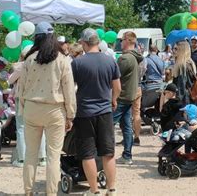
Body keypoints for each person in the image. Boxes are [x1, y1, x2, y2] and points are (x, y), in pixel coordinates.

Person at [18, 22, 76, 196]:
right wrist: (70, 115)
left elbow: (22, 89)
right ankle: (51, 193)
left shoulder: (29, 59)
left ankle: (28, 192)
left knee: (30, 155)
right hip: (55, 110)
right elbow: (69, 90)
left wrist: (24, 108)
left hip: (32, 108)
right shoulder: (62, 60)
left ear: (36, 37)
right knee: (53, 157)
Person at [73, 28, 121, 196]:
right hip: (105, 111)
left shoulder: (77, 62)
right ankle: (112, 188)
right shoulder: (110, 60)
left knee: (88, 154)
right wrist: (113, 99)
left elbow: (71, 88)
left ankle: (94, 191)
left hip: (85, 112)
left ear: (85, 43)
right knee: (108, 153)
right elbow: (117, 87)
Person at [8, 48, 46, 168]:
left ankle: (22, 159)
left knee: (21, 127)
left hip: (23, 98)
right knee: (40, 127)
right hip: (38, 97)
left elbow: (10, 80)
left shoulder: (22, 65)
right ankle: (42, 158)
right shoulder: (42, 64)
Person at [113, 31, 143, 165]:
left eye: (122, 39)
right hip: (130, 96)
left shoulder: (125, 58)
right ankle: (127, 155)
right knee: (126, 127)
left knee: (107, 125)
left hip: (121, 97)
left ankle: (101, 155)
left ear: (128, 40)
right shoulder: (135, 57)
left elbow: (114, 78)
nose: (120, 42)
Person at [172, 40, 197, 105]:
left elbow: (181, 88)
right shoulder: (190, 63)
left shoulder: (182, 66)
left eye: (176, 49)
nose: (173, 51)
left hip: (183, 102)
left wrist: (175, 103)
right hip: (188, 100)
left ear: (182, 51)